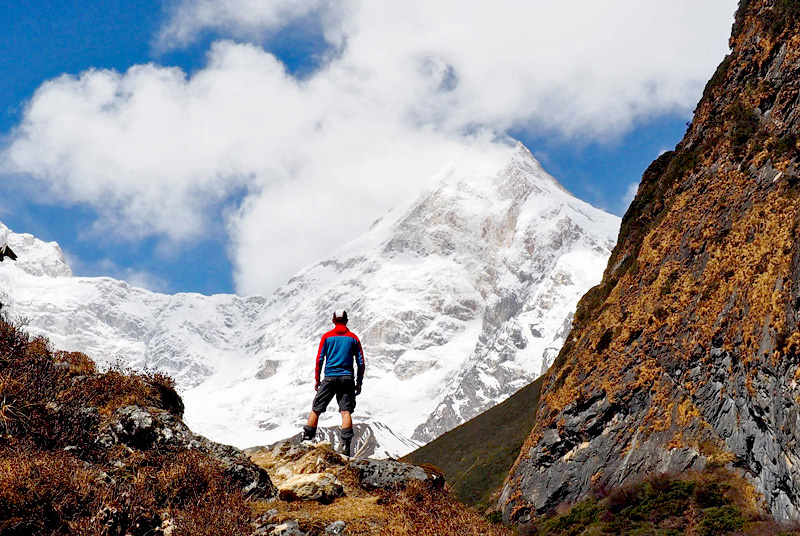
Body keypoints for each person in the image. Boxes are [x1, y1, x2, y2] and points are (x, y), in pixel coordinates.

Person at [302, 309, 365, 456]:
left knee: (316, 408)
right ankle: (346, 447)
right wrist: (359, 382)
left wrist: (317, 379)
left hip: (330, 377)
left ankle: (307, 440)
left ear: (333, 320)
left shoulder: (327, 337)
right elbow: (361, 362)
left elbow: (319, 359)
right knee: (345, 411)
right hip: (347, 378)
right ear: (346, 320)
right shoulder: (353, 338)